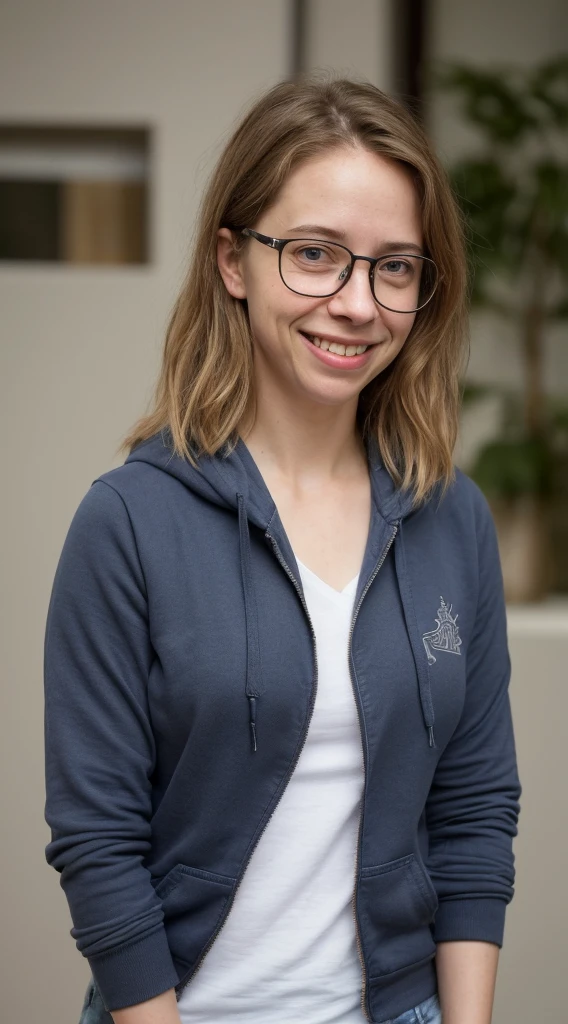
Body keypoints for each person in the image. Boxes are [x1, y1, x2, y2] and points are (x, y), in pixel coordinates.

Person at [43, 73, 522, 1024]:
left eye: (394, 266)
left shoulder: (450, 518)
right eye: (315, 255)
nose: (356, 303)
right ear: (234, 261)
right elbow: (99, 838)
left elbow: (473, 812)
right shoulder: (129, 522)